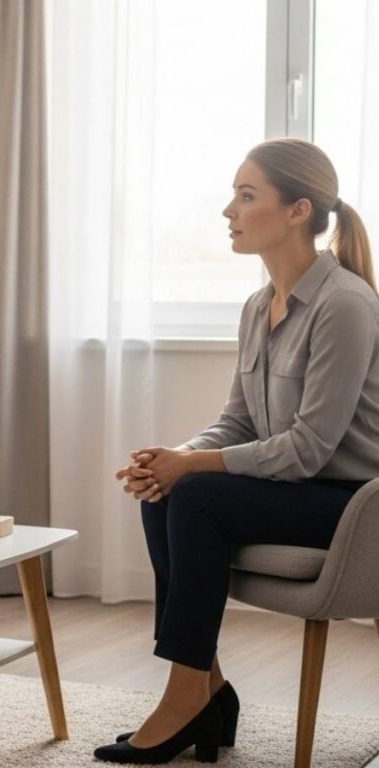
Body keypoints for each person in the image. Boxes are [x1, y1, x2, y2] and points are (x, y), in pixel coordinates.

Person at [97, 138, 379, 764]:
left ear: (297, 210)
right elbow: (238, 421)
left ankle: (185, 696)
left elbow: (308, 449)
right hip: (299, 491)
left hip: (353, 505)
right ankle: (205, 684)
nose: (229, 210)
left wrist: (191, 466)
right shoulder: (258, 307)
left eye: (247, 196)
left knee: (194, 491)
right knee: (169, 488)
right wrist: (173, 455)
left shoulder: (347, 305)